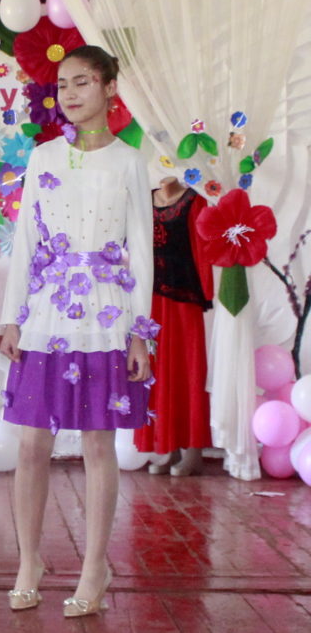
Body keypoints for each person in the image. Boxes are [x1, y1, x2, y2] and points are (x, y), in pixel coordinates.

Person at [0, 45, 156, 618]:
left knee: (96, 442)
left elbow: (142, 252)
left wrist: (140, 333)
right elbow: (26, 242)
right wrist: (12, 316)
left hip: (107, 316)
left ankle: (94, 567)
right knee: (31, 443)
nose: (69, 92)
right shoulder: (43, 157)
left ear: (110, 88)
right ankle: (29, 562)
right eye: (62, 83)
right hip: (47, 313)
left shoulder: (130, 162)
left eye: (82, 81)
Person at [134, 176, 213, 475]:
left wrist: (206, 293)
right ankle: (167, 445)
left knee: (187, 371)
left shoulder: (195, 201)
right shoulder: (144, 199)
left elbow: (202, 250)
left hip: (183, 300)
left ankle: (193, 450)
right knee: (157, 371)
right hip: (151, 299)